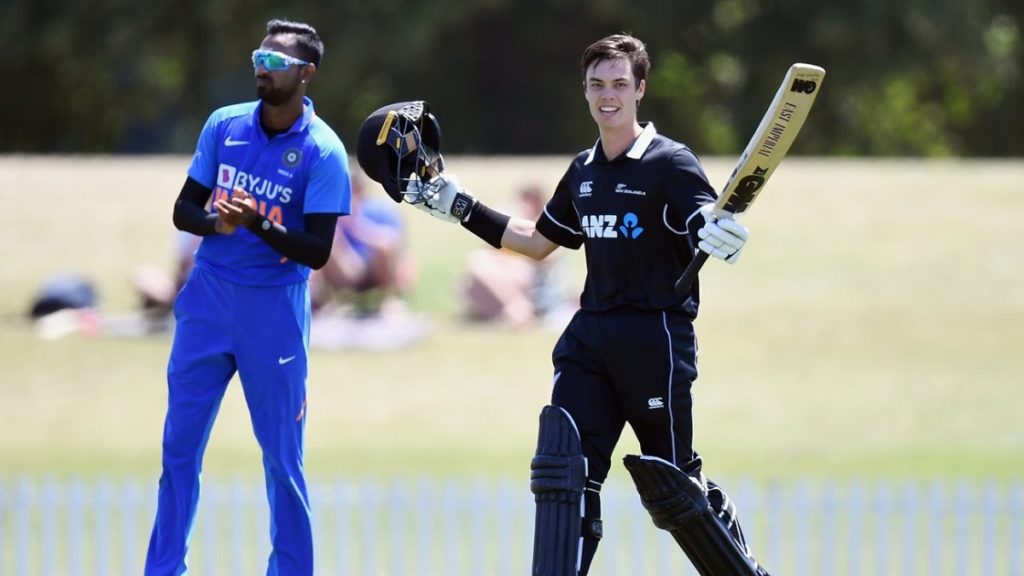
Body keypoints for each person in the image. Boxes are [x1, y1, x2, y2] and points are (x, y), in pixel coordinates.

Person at [356, 35, 768, 576]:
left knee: (674, 488)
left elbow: (701, 217)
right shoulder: (584, 171)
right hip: (590, 337)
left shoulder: (671, 162)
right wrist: (460, 206)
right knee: (564, 473)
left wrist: (717, 232)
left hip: (655, 339)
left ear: (640, 89)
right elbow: (537, 242)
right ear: (585, 91)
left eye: (619, 84)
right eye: (597, 85)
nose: (608, 95)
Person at [144, 19, 351, 576]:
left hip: (274, 313)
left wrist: (256, 221)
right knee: (179, 449)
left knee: (283, 459)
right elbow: (184, 210)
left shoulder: (323, 150)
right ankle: (163, 569)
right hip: (208, 301)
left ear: (306, 74)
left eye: (277, 62)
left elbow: (317, 251)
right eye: (260, 58)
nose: (264, 68)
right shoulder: (225, 124)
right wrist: (218, 224)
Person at [458, 183, 576, 328]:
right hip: (510, 274)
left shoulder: (548, 225)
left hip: (537, 284)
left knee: (482, 265)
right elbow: (491, 249)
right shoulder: (517, 223)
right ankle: (511, 310)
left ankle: (517, 309)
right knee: (474, 277)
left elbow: (546, 259)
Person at [310, 168, 415, 317]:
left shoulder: (379, 210)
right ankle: (326, 301)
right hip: (347, 270)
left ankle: (386, 301)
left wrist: (358, 229)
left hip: (375, 269)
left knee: (382, 246)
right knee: (326, 240)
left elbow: (394, 244)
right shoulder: (334, 215)